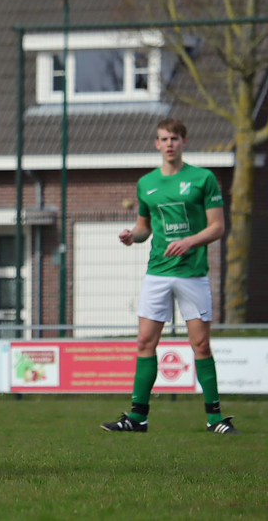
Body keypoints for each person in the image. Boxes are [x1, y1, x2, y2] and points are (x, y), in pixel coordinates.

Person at [102, 118, 239, 435]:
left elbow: (218, 227)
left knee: (201, 345)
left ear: (184, 142)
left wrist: (190, 241)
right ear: (156, 144)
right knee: (144, 342)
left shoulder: (203, 178)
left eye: (174, 138)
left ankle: (215, 418)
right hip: (158, 273)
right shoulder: (146, 183)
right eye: (163, 139)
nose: (169, 144)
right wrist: (131, 236)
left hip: (192, 274)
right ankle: (137, 418)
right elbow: (145, 228)